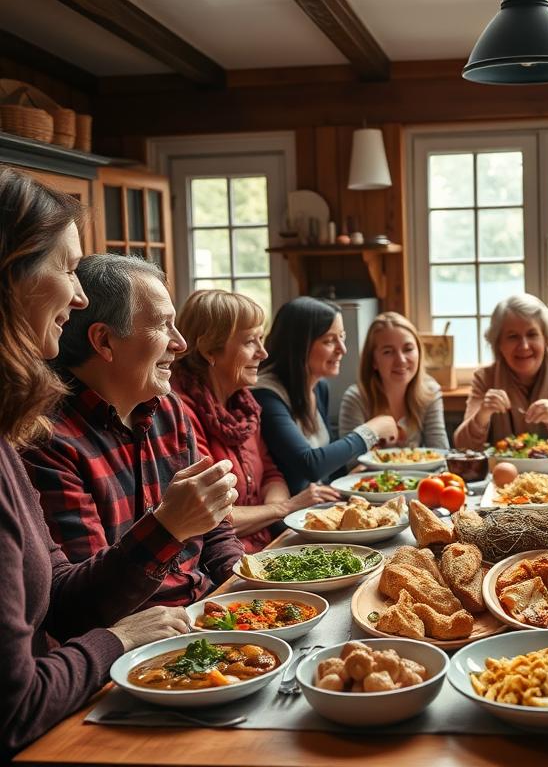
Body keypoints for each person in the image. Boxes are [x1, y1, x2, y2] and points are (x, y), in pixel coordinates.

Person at [0, 167, 191, 756]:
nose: (78, 297)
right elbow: (14, 706)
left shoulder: (9, 434)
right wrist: (116, 640)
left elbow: (62, 593)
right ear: (11, 278)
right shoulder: (44, 440)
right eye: (66, 270)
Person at [21, 253, 243, 609]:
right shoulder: (47, 439)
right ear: (104, 341)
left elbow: (215, 525)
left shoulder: (167, 409)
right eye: (162, 325)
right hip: (135, 646)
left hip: (206, 609)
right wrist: (166, 526)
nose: (181, 343)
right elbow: (81, 603)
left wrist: (244, 581)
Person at [171, 290, 337, 553]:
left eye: (261, 339)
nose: (263, 353)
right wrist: (285, 508)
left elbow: (272, 475)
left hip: (269, 544)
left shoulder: (244, 405)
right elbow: (215, 518)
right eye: (250, 341)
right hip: (222, 561)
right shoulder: (180, 413)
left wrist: (272, 510)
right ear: (208, 349)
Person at [253, 297, 398, 493]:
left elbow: (329, 472)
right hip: (287, 516)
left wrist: (355, 476)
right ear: (299, 345)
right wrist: (370, 432)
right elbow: (310, 465)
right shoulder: (265, 395)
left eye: (342, 337)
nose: (342, 349)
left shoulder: (319, 387)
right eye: (329, 341)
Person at [454, 294, 548, 450]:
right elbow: (461, 445)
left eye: (532, 334)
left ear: (546, 339)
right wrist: (482, 415)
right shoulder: (485, 377)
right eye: (513, 337)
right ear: (499, 344)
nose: (524, 346)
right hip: (503, 471)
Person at [338, 311, 449, 450]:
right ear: (373, 361)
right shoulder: (356, 398)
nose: (401, 360)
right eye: (388, 352)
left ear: (419, 352)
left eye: (408, 349)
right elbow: (352, 462)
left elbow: (440, 452)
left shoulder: (430, 392)